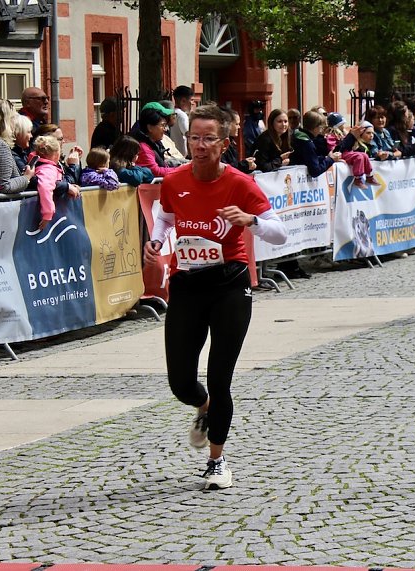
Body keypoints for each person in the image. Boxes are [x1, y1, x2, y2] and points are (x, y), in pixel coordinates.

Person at [142, 104, 287, 490]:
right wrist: (156, 240)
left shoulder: (240, 183)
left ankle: (217, 461)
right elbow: (166, 216)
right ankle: (202, 408)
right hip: (187, 283)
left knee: (220, 378)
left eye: (208, 138)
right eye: (194, 137)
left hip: (229, 286)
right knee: (180, 383)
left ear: (224, 144)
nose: (199, 145)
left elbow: (279, 232)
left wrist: (251, 221)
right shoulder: (174, 180)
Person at [131, 103, 178, 178]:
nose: (165, 129)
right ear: (149, 128)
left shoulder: (154, 143)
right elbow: (155, 171)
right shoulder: (143, 148)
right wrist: (179, 170)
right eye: (162, 125)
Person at [170, 85, 194, 157]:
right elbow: (189, 135)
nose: (193, 103)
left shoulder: (172, 113)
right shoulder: (182, 115)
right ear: (183, 101)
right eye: (191, 100)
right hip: (182, 156)